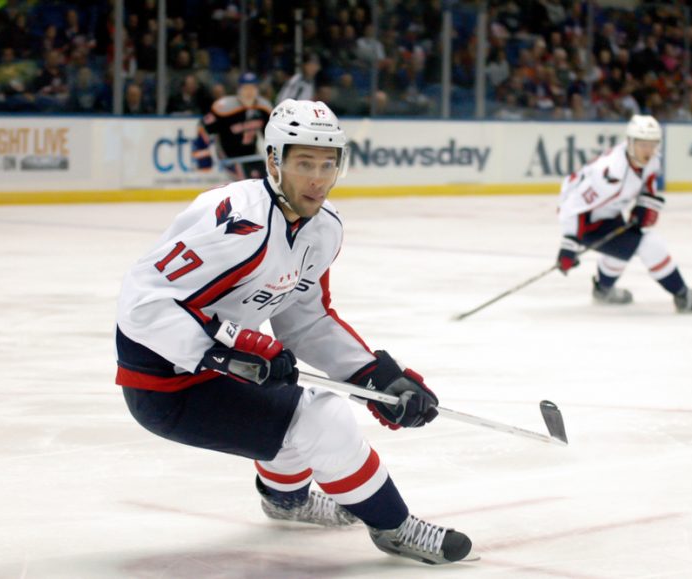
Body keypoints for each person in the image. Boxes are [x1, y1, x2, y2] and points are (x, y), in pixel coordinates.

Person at [115, 99, 473, 565]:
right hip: (167, 386)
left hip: (222, 370)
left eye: (329, 164)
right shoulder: (235, 221)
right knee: (323, 419)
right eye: (304, 163)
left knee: (289, 394)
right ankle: (394, 526)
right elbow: (143, 302)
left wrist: (375, 377)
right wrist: (228, 350)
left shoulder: (322, 230)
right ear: (273, 162)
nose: (318, 179)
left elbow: (305, 320)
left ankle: (287, 500)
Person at [555, 115, 692, 312]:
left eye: (652, 144)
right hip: (586, 223)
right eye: (642, 145)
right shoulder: (611, 173)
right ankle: (683, 296)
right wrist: (569, 244)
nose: (648, 150)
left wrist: (645, 204)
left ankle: (603, 290)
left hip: (607, 214)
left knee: (622, 248)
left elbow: (648, 181)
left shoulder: (651, 159)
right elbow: (572, 206)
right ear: (630, 142)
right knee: (649, 243)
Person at [192, 72, 272, 180]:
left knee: (266, 182)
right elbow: (203, 128)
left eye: (252, 88)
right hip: (229, 157)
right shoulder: (224, 108)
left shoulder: (263, 108)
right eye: (246, 88)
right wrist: (203, 155)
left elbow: (270, 134)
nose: (249, 92)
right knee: (246, 184)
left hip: (252, 156)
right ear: (239, 89)